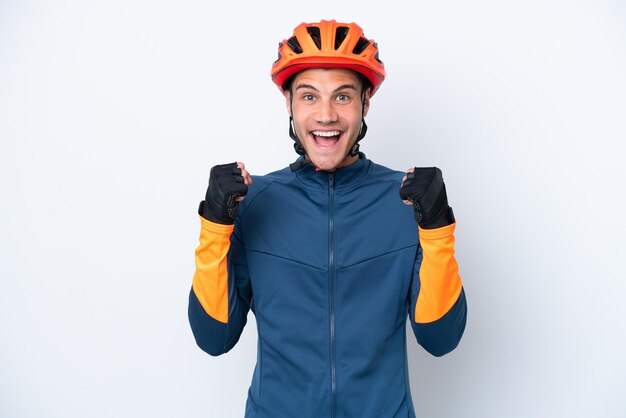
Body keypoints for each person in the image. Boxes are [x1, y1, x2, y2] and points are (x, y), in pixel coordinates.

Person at [188, 19, 467, 418]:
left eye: (342, 97)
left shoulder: (407, 203)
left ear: (365, 103)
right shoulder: (252, 202)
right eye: (308, 96)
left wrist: (437, 228)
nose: (325, 115)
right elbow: (214, 337)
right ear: (289, 103)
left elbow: (440, 338)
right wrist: (215, 224)